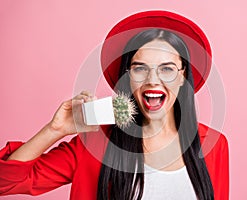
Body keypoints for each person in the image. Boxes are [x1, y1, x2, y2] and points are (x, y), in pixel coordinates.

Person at [0, 10, 229, 200]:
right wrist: (55, 130)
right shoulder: (93, 145)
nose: (152, 80)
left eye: (167, 69)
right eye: (140, 68)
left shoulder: (215, 145)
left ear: (182, 77)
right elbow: (6, 183)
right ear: (127, 78)